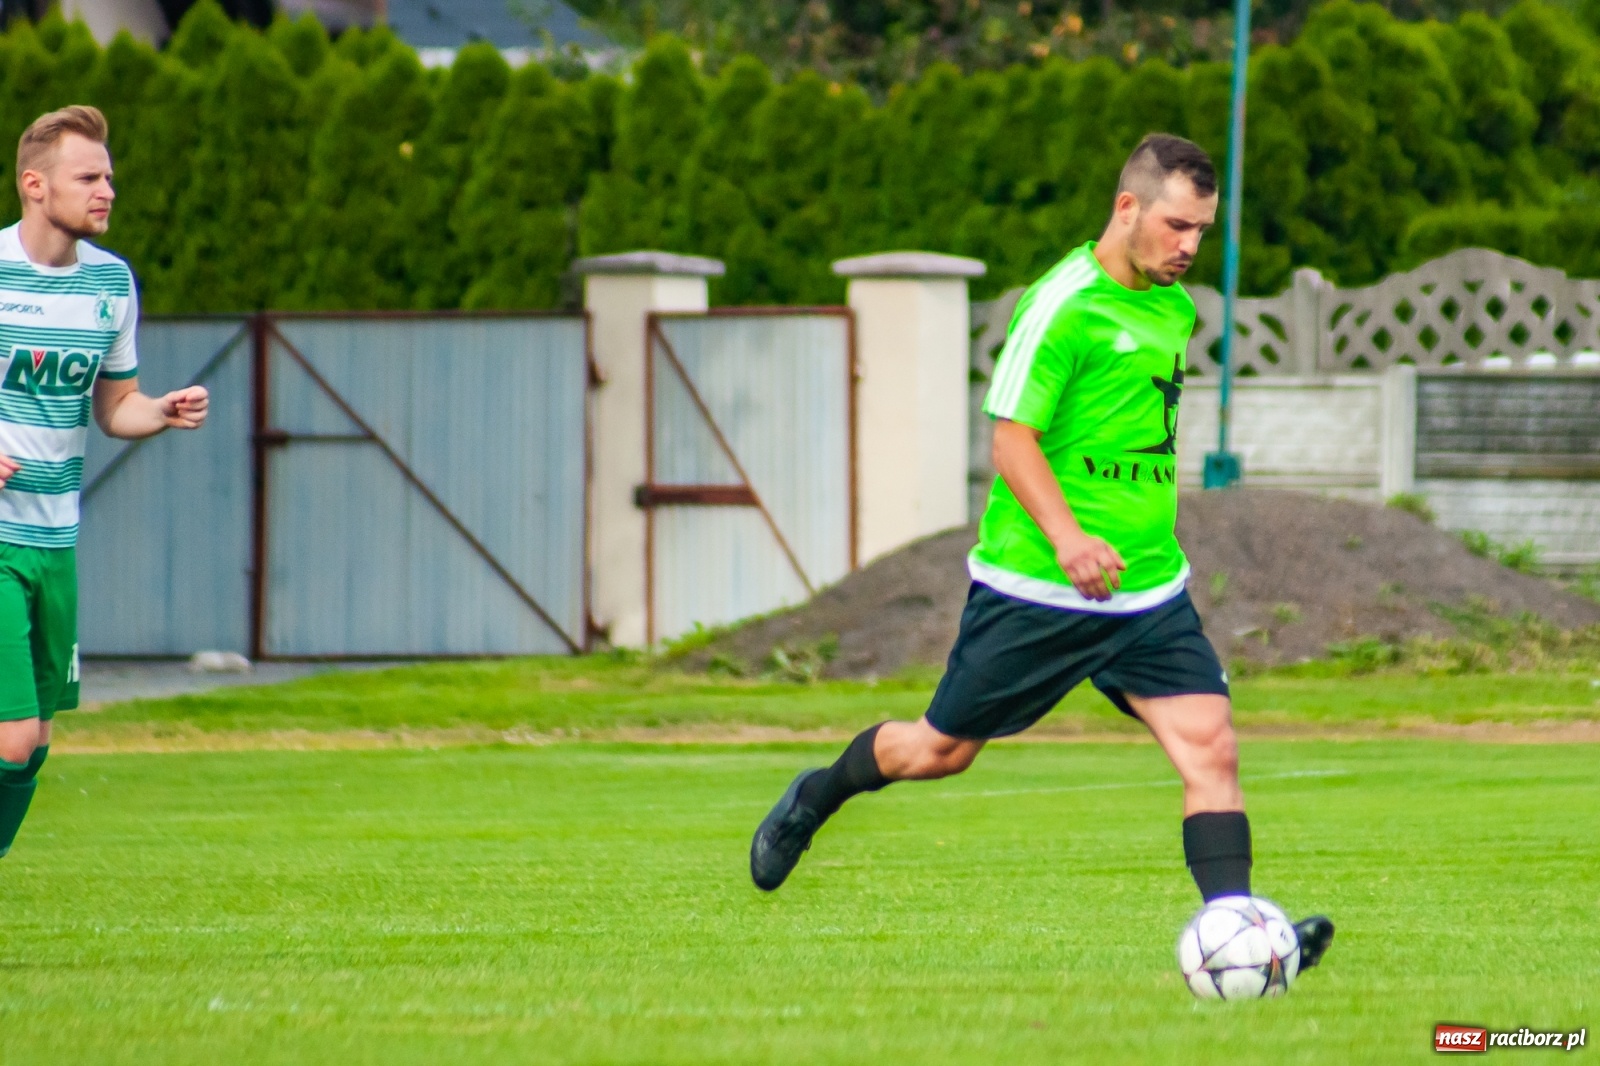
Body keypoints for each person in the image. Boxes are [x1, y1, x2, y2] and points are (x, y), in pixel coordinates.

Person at [749, 133, 1333, 970]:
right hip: (1038, 589)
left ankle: (1244, 941)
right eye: (1176, 226)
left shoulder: (1175, 309)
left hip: (1145, 592)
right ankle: (817, 794)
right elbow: (1011, 438)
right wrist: (1068, 540)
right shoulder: (1061, 303)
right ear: (1127, 206)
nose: (1189, 248)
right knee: (938, 752)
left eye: (1202, 231)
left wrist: (1123, 539)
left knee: (1212, 745)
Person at [0, 106, 208, 859]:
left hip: (57, 543)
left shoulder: (112, 284)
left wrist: (161, 409)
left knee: (40, 736)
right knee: (14, 736)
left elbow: (115, 407)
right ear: (34, 185)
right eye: (88, 177)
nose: (106, 191)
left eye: (109, 177)